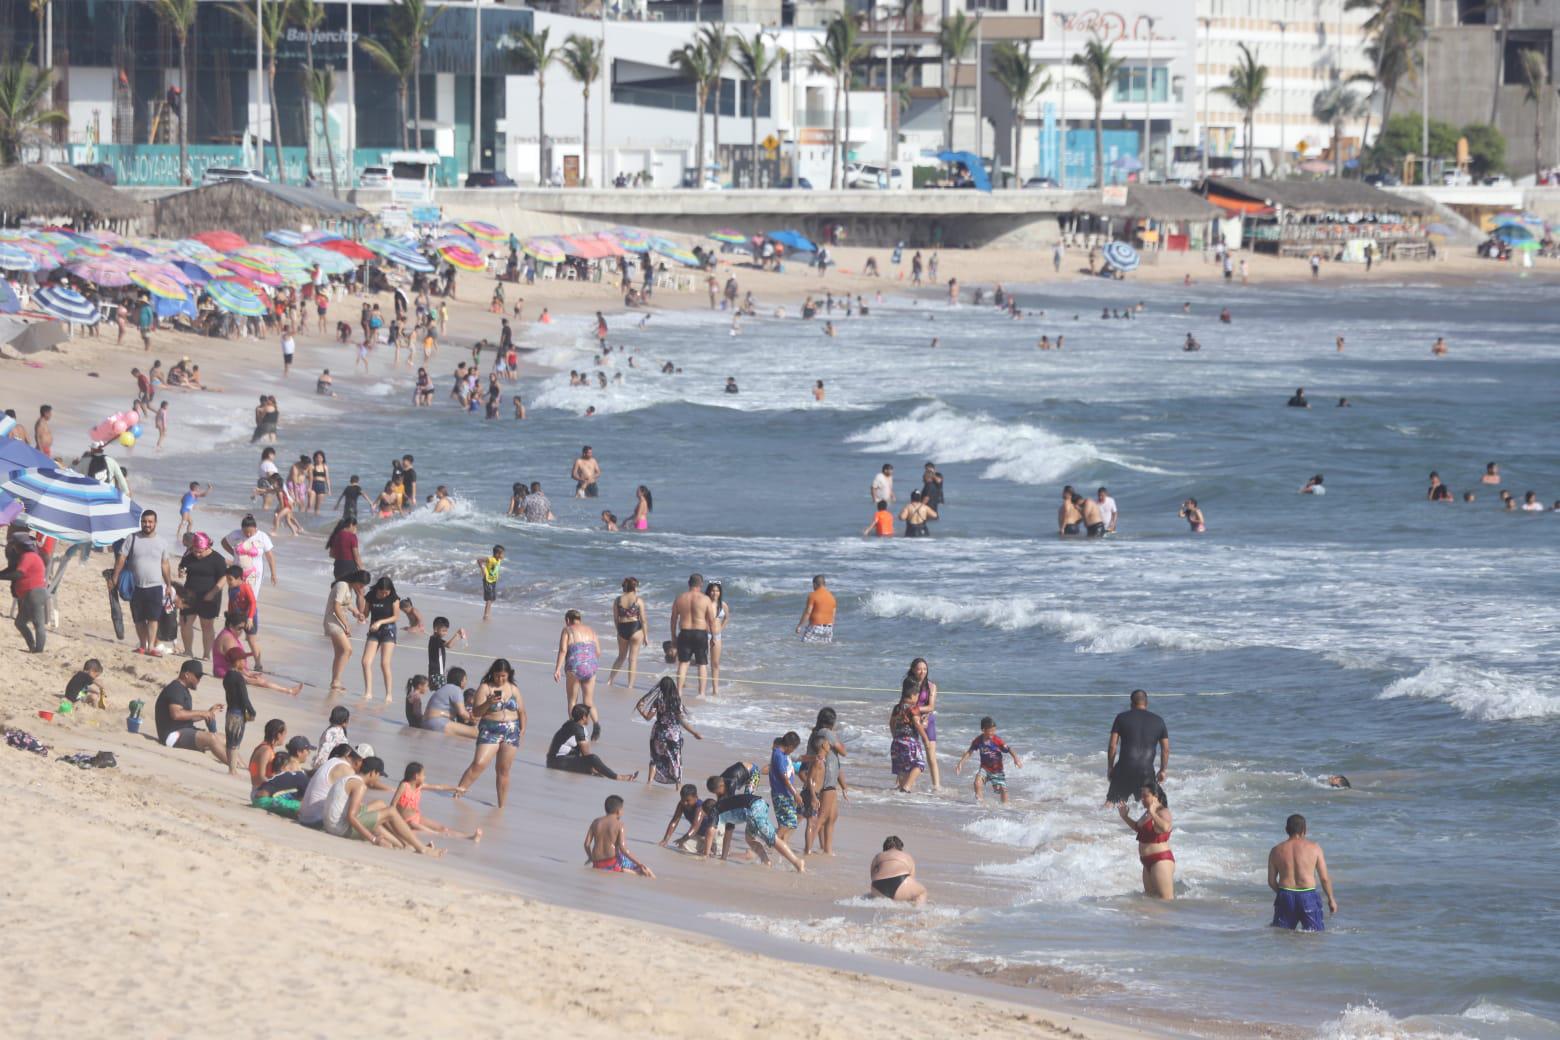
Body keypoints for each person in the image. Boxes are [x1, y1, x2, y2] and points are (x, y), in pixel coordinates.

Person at [323, 755, 442, 855]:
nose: (378, 779)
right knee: (391, 812)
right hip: (339, 829)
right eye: (378, 775)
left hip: (331, 824)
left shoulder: (350, 778)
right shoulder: (360, 786)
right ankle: (421, 848)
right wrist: (374, 839)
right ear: (372, 773)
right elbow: (351, 817)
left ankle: (405, 845)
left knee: (379, 805)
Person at [452, 659, 528, 807]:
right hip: (490, 728)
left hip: (511, 730)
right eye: (497, 676)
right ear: (492, 674)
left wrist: (522, 729)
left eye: (503, 676)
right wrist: (488, 703)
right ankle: (457, 794)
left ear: (509, 675)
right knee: (479, 764)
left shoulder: (513, 689)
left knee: (503, 770)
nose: (500, 679)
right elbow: (475, 713)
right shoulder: (485, 688)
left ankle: (501, 806)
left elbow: (522, 711)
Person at [111, 509, 174, 656]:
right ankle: (142, 645)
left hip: (155, 586)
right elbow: (121, 558)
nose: (147, 524)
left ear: (155, 523)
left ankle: (151, 647)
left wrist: (169, 585)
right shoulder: (132, 538)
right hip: (136, 586)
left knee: (153, 618)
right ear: (141, 522)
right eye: (144, 522)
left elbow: (165, 565)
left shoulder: (162, 542)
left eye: (150, 522)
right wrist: (115, 576)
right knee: (138, 619)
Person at [1268, 814, 1338, 931]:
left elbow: (1271, 881)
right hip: (1308, 896)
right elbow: (1324, 878)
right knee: (1314, 936)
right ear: (1304, 830)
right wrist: (1331, 899)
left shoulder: (1276, 850)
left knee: (1282, 936)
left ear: (1286, 830)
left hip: (1285, 895)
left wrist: (1283, 894)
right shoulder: (1315, 848)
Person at [153, 660, 228, 765]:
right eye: (197, 676)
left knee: (226, 740)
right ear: (187, 674)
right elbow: (176, 714)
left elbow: (187, 716)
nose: (199, 680)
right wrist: (202, 713)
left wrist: (208, 713)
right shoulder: (175, 689)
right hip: (172, 735)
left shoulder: (184, 690)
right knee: (212, 738)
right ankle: (233, 767)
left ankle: (242, 767)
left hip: (184, 730)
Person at [1105, 689, 1169, 805]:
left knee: (1111, 803)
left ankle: (1097, 822)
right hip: (1146, 771)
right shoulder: (1159, 721)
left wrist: (1110, 767)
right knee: (1150, 806)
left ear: (1131, 704)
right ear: (1147, 703)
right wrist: (1163, 770)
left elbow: (1112, 746)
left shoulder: (1121, 718)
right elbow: (1165, 749)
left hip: (1124, 768)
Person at [636, 676, 701, 785]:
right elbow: (681, 720)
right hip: (673, 734)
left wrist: (640, 709)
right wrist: (694, 733)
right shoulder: (676, 702)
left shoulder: (658, 701)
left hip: (658, 732)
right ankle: (678, 785)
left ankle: (649, 782)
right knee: (676, 759)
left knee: (655, 757)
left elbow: (648, 718)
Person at [393, 762, 481, 842]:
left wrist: (456, 788)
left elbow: (439, 787)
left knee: (443, 828)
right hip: (406, 821)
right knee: (434, 833)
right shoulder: (404, 786)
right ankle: (468, 838)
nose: (425, 777)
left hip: (416, 817)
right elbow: (393, 804)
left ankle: (470, 837)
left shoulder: (420, 786)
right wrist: (396, 822)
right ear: (416, 776)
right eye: (423, 775)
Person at [545, 703, 636, 780]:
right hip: (557, 762)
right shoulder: (578, 729)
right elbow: (587, 755)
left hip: (552, 761)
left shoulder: (569, 724)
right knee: (593, 758)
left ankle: (600, 772)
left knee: (591, 768)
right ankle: (618, 777)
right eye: (588, 716)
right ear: (584, 717)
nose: (589, 718)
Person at [176, 532, 228, 660]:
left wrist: (212, 593)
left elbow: (224, 577)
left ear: (207, 547)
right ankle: (188, 651)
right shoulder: (189, 556)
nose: (197, 554)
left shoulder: (218, 559)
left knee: (207, 625)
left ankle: (206, 654)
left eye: (200, 552)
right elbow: (182, 567)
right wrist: (181, 572)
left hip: (209, 597)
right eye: (195, 551)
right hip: (189, 595)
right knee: (185, 623)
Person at [1119, 781, 1174, 899]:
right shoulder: (1147, 813)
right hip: (1146, 862)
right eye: (1141, 796)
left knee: (1166, 901)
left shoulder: (1163, 812)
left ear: (1156, 796)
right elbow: (1138, 829)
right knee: (1150, 900)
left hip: (1160, 860)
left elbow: (1165, 827)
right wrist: (1125, 817)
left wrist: (1154, 813)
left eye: (1145, 796)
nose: (1142, 799)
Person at [806, 708, 848, 856]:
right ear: (832, 722)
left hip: (825, 776)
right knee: (822, 817)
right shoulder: (827, 733)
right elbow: (843, 751)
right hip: (828, 777)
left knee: (832, 816)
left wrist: (843, 785)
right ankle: (808, 849)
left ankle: (827, 849)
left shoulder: (815, 733)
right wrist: (837, 739)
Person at [955, 716, 1022, 804]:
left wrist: (1016, 759)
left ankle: (1006, 807)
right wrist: (961, 763)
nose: (992, 733)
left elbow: (1009, 749)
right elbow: (969, 752)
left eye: (994, 730)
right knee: (977, 783)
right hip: (985, 768)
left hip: (997, 769)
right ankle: (980, 803)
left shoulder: (997, 740)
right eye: (990, 731)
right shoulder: (978, 740)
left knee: (1002, 789)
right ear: (983, 730)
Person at [0, 531, 47, 654]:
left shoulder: (29, 556)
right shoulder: (25, 556)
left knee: (38, 623)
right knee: (20, 622)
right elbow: (12, 569)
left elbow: (18, 574)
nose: (13, 547)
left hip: (34, 593)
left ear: (20, 545)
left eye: (14, 545)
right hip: (27, 595)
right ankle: (32, 647)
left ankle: (39, 651)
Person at [323, 569, 368, 694]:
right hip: (333, 621)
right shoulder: (342, 585)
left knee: (340, 652)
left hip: (339, 621)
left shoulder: (348, 587)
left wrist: (356, 612)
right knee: (347, 650)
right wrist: (347, 625)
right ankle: (336, 681)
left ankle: (335, 682)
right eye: (361, 584)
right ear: (356, 580)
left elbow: (346, 604)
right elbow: (336, 606)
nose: (361, 588)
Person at [584, 795, 654, 876]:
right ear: (618, 811)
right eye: (622, 809)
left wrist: (590, 857)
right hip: (611, 863)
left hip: (597, 864)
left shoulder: (595, 822)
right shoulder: (619, 825)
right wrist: (639, 864)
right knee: (645, 870)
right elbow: (623, 849)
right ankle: (635, 873)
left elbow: (586, 844)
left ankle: (625, 870)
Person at [670, 573, 715, 697]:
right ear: (701, 584)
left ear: (688, 583)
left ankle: (679, 691)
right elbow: (711, 620)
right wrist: (714, 637)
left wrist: (673, 636)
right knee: (702, 664)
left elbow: (673, 619)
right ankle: (701, 693)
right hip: (700, 633)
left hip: (684, 633)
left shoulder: (680, 598)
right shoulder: (705, 599)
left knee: (683, 663)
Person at [552, 609, 601, 723]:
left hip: (575, 666)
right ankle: (596, 725)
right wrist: (589, 662)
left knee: (572, 700)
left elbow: (563, 650)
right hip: (591, 665)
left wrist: (557, 669)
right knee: (588, 701)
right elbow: (598, 652)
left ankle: (575, 728)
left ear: (568, 620)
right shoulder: (591, 631)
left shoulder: (567, 630)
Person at [360, 576, 400, 701]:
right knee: (365, 662)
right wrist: (362, 616)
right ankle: (368, 692)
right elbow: (366, 613)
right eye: (382, 592)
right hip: (374, 630)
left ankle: (388, 694)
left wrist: (380, 622)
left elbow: (396, 617)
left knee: (384, 663)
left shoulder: (393, 598)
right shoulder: (371, 596)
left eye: (387, 592)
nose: (385, 594)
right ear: (378, 589)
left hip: (388, 630)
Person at [607, 577, 646, 688]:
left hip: (622, 628)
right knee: (632, 659)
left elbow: (616, 618)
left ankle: (610, 680)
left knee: (621, 657)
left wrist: (618, 630)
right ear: (634, 587)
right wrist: (646, 636)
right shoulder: (638, 600)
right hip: (636, 628)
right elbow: (643, 620)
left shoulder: (618, 600)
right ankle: (630, 685)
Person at [888, 690, 928, 793]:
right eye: (917, 695)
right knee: (919, 763)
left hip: (897, 741)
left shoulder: (897, 708)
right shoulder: (913, 708)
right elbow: (916, 723)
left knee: (902, 768)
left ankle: (902, 791)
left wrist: (895, 736)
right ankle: (907, 787)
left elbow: (891, 723)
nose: (918, 697)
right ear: (912, 695)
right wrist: (925, 738)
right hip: (910, 741)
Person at [868, 835, 927, 905]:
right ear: (900, 847)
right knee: (922, 892)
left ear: (885, 847)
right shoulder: (906, 856)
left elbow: (872, 877)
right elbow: (912, 878)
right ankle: (916, 912)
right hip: (900, 882)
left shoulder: (878, 856)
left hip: (878, 887)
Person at [768, 732, 802, 846]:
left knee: (783, 822)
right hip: (782, 794)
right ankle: (770, 844)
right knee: (791, 821)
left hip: (782, 793)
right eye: (793, 749)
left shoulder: (781, 754)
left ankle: (779, 845)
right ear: (790, 746)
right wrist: (795, 793)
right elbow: (784, 778)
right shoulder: (779, 755)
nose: (792, 751)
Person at [660, 784, 714, 851]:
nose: (685, 803)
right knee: (682, 845)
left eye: (688, 800)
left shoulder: (700, 807)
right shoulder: (681, 805)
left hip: (713, 834)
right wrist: (665, 840)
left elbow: (694, 827)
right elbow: (674, 821)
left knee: (713, 853)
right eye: (683, 800)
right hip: (698, 835)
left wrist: (683, 839)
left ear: (696, 797)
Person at [796, 574, 836, 644]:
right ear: (824, 584)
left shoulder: (813, 595)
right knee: (822, 650)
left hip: (815, 626)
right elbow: (833, 615)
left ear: (814, 584)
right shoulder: (832, 597)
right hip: (829, 628)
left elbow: (808, 612)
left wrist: (799, 626)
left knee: (804, 646)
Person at [478, 545, 505, 621]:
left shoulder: (498, 560)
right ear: (497, 554)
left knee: (493, 598)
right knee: (489, 599)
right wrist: (483, 569)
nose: (503, 556)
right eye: (502, 554)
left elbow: (495, 569)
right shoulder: (491, 559)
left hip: (493, 581)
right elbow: (479, 560)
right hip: (487, 580)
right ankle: (486, 615)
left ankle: (487, 611)